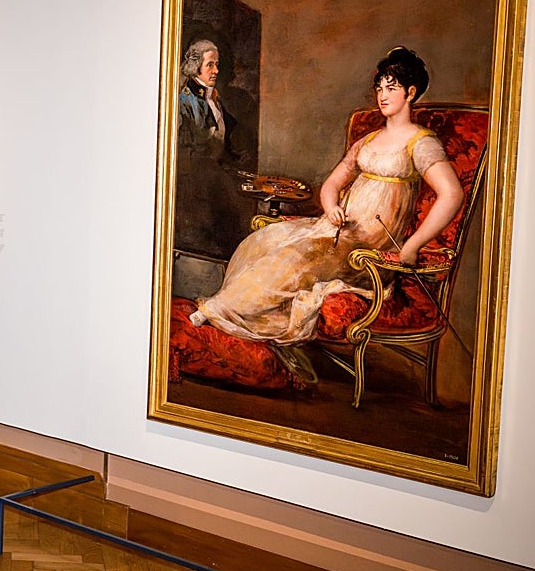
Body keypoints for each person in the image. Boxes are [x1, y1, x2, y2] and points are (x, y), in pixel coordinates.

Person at [189, 47, 463, 362]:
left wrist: (412, 246)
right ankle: (231, 313)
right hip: (337, 231)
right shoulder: (368, 141)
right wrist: (331, 207)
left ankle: (218, 309)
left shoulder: (420, 143)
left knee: (294, 258)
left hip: (368, 246)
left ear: (410, 93)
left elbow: (452, 194)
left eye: (391, 88)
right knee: (266, 240)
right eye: (379, 88)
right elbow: (333, 183)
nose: (382, 96)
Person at [176, 38, 254, 258]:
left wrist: (232, 156)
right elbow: (187, 148)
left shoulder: (213, 97)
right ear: (195, 67)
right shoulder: (185, 101)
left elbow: (220, 136)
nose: (216, 70)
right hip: (195, 180)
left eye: (217, 64)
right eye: (210, 64)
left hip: (214, 172)